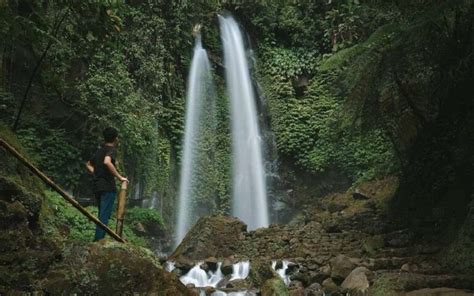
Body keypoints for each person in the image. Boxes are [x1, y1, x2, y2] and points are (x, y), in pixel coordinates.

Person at [86, 127, 128, 241]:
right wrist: (120, 177)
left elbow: (88, 164)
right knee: (104, 215)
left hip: (97, 186)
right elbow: (107, 162)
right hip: (108, 187)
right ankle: (98, 241)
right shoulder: (112, 150)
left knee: (101, 213)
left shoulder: (100, 150)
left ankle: (98, 239)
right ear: (115, 139)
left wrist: (97, 174)